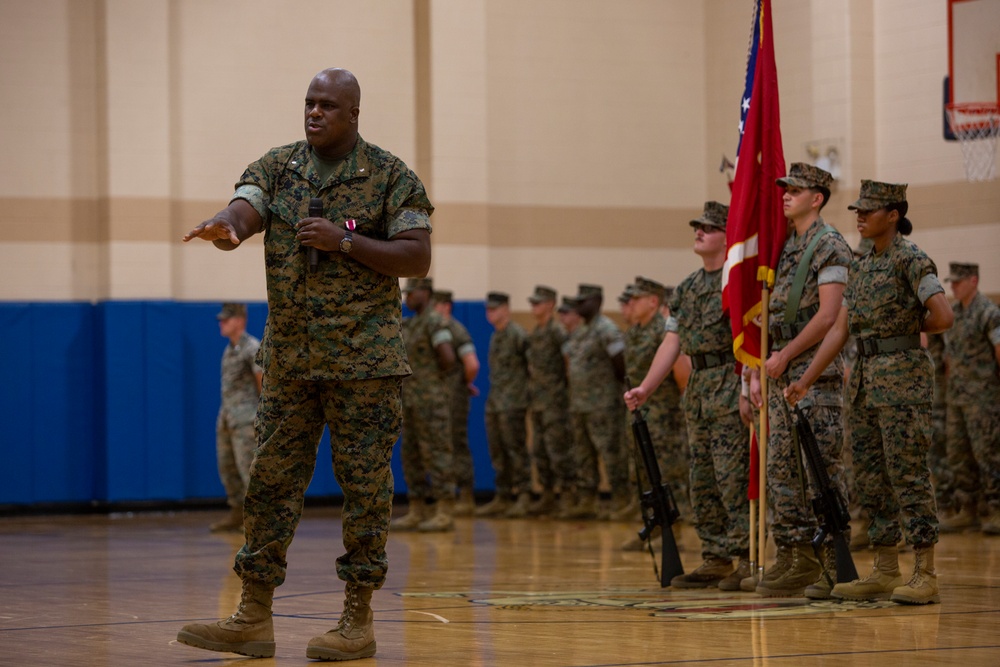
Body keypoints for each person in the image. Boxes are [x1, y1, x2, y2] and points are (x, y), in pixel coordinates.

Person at [177, 67, 433, 661]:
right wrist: (229, 228)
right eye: (309, 104)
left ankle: (357, 619)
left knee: (365, 489)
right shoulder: (279, 165)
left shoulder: (391, 176)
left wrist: (345, 241)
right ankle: (253, 615)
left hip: (364, 365)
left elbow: (416, 256)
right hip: (291, 360)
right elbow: (247, 206)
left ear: (354, 115)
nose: (314, 113)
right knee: (269, 483)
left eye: (327, 106)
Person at [785, 180, 953, 605]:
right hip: (863, 383)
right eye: (858, 209)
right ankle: (883, 569)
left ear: (894, 214)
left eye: (870, 210)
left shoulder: (910, 259)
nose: (860, 216)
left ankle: (925, 572)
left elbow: (943, 315)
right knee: (872, 479)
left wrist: (903, 333)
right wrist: (806, 379)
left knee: (908, 475)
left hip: (903, 383)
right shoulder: (860, 264)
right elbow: (840, 328)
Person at [624, 202, 751, 591]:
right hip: (698, 390)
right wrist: (646, 386)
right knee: (703, 478)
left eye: (709, 227)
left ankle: (746, 556)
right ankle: (715, 556)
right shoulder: (688, 288)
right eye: (698, 226)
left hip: (730, 383)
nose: (699, 232)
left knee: (733, 476)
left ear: (728, 236)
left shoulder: (738, 282)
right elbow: (672, 341)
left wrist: (748, 384)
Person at [750, 163, 853, 599]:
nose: (786, 195)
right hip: (780, 368)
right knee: (782, 468)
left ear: (818, 197)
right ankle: (794, 554)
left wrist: (787, 355)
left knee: (819, 468)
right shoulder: (785, 246)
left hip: (816, 372)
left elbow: (829, 316)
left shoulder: (828, 245)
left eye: (796, 189)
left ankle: (832, 559)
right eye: (784, 189)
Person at [621, 276, 690, 544]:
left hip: (664, 416)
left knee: (669, 472)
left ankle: (676, 530)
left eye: (636, 299)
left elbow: (682, 374)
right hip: (641, 415)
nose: (631, 303)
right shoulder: (635, 331)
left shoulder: (664, 330)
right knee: (644, 473)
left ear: (653, 301)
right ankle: (655, 525)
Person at [938, 262, 1000, 535]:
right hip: (957, 396)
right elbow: (950, 355)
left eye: (959, 281)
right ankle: (968, 509)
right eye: (952, 282)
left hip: (982, 396)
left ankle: (997, 509)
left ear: (973, 281)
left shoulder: (988, 312)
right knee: (957, 454)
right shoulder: (954, 314)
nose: (953, 286)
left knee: (988, 453)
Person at [393, 278, 457, 532]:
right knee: (411, 455)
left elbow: (448, 359)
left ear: (426, 293)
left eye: (412, 293)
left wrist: (431, 380)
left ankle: (444, 509)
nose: (407, 297)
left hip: (431, 401)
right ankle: (417, 508)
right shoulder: (410, 324)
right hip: (409, 400)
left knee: (438, 453)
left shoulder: (434, 322)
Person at [565, 284, 629, 520]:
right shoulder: (581, 330)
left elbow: (620, 364)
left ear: (597, 302)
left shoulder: (607, 330)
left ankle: (621, 500)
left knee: (611, 454)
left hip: (603, 405)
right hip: (580, 405)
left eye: (584, 301)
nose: (579, 305)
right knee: (583, 455)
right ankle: (588, 501)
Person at [476, 292, 532, 518]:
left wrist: (524, 394)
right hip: (496, 402)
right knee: (498, 451)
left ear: (506, 309)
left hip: (513, 402)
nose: (491, 313)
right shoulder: (496, 336)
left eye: (495, 308)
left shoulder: (517, 334)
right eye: (488, 309)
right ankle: (503, 495)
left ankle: (525, 496)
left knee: (516, 450)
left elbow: (532, 367)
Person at [211, 303, 263, 533]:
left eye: (226, 320)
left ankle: (256, 519)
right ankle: (237, 513)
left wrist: (263, 417)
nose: (222, 324)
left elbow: (262, 384)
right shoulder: (229, 349)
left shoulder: (252, 348)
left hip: (246, 421)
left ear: (240, 321)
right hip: (227, 419)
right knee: (228, 468)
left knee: (248, 471)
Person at [525, 285, 573, 516]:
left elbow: (568, 363)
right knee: (540, 450)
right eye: (532, 303)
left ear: (551, 304)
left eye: (538, 303)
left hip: (555, 401)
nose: (534, 307)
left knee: (558, 450)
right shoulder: (536, 332)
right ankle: (547, 495)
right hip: (538, 401)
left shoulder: (557, 331)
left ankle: (567, 495)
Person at [432, 289, 481, 516]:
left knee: (456, 443)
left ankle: (466, 496)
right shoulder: (437, 329)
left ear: (445, 307)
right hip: (440, 397)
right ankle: (448, 495)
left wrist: (462, 384)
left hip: (454, 398)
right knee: (442, 446)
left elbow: (472, 364)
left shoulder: (455, 330)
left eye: (436, 306)